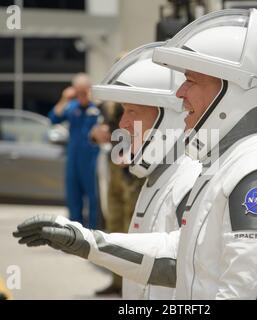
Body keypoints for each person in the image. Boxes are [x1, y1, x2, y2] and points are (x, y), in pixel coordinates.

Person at [13, 43, 202, 300]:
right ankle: (115, 281)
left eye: (132, 111)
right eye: (123, 111)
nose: (123, 122)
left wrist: (87, 242)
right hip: (107, 168)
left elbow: (176, 259)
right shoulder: (158, 179)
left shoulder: (188, 182)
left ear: (167, 118)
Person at [90, 102, 145, 296]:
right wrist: (97, 134)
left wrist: (136, 153)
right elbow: (102, 129)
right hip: (114, 167)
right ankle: (117, 281)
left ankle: (130, 285)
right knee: (114, 225)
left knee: (131, 228)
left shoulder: (135, 96)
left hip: (133, 171)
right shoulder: (106, 104)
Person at [48, 73, 100, 229]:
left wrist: (94, 100)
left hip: (91, 159)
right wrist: (65, 98)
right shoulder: (71, 107)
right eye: (78, 92)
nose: (81, 96)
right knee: (73, 196)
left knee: (93, 198)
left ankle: (93, 231)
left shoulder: (96, 108)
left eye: (84, 92)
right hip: (73, 159)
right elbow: (53, 118)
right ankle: (74, 231)